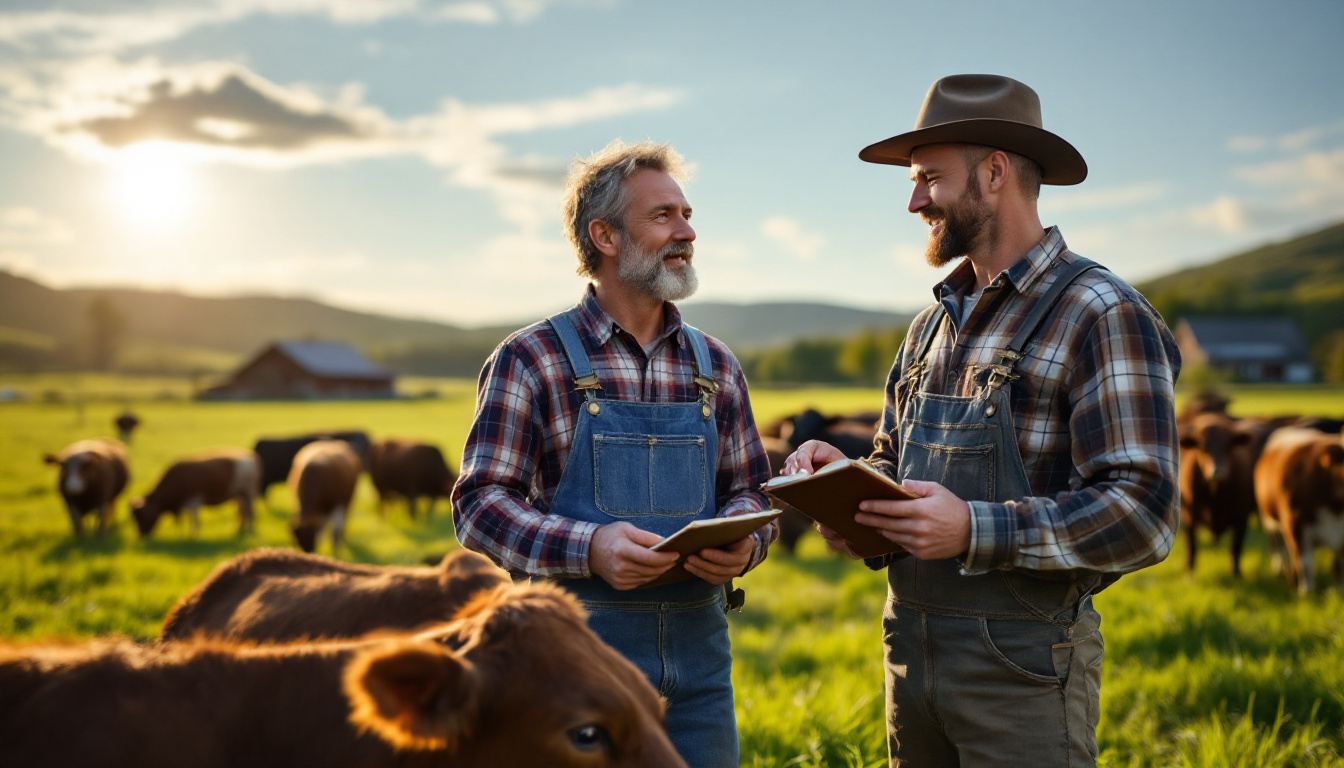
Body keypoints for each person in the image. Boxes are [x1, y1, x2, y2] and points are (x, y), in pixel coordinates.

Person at [784, 74, 1182, 767]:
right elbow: (895, 466)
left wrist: (973, 528)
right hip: (908, 657)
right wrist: (849, 490)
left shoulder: (1100, 312)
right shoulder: (928, 328)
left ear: (995, 173)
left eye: (929, 179)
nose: (913, 201)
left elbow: (1143, 514)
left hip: (1022, 673)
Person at [452, 139, 775, 768]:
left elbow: (751, 492)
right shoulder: (532, 358)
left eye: (686, 214)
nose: (687, 231)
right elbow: (479, 506)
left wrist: (748, 544)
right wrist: (588, 548)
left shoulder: (717, 365)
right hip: (572, 676)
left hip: (699, 671)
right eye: (663, 217)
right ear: (603, 235)